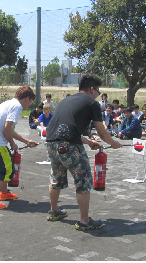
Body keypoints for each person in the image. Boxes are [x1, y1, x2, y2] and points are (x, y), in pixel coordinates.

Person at [45, 74, 122, 230]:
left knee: (56, 177)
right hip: (70, 146)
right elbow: (102, 132)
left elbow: (65, 130)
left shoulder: (65, 101)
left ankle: (54, 211)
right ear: (92, 89)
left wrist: (88, 141)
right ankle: (84, 221)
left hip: (51, 143)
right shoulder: (92, 103)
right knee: (83, 180)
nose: (98, 95)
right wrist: (113, 143)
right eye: (98, 91)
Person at [0, 86, 38, 210]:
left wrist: (26, 141)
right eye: (31, 101)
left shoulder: (11, 103)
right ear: (27, 98)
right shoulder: (16, 106)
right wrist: (12, 143)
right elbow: (7, 129)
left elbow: (10, 130)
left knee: (4, 167)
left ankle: (4, 193)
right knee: (6, 171)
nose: (30, 105)